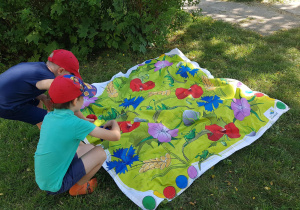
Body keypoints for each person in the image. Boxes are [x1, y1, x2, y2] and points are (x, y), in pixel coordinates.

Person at [34, 75, 121, 196]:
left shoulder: (49, 116)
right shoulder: (75, 124)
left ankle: (73, 178)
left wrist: (84, 120)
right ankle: (78, 188)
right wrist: (114, 122)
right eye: (83, 97)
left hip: (45, 178)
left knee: (89, 148)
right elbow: (115, 136)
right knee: (100, 152)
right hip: (55, 185)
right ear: (75, 101)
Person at [0, 49, 92, 129]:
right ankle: (71, 144)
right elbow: (70, 102)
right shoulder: (50, 79)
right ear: (60, 71)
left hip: (8, 95)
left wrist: (43, 97)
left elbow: (25, 86)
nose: (70, 79)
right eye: (70, 75)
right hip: (7, 105)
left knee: (37, 103)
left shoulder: (39, 67)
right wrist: (83, 120)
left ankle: (43, 131)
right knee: (54, 119)